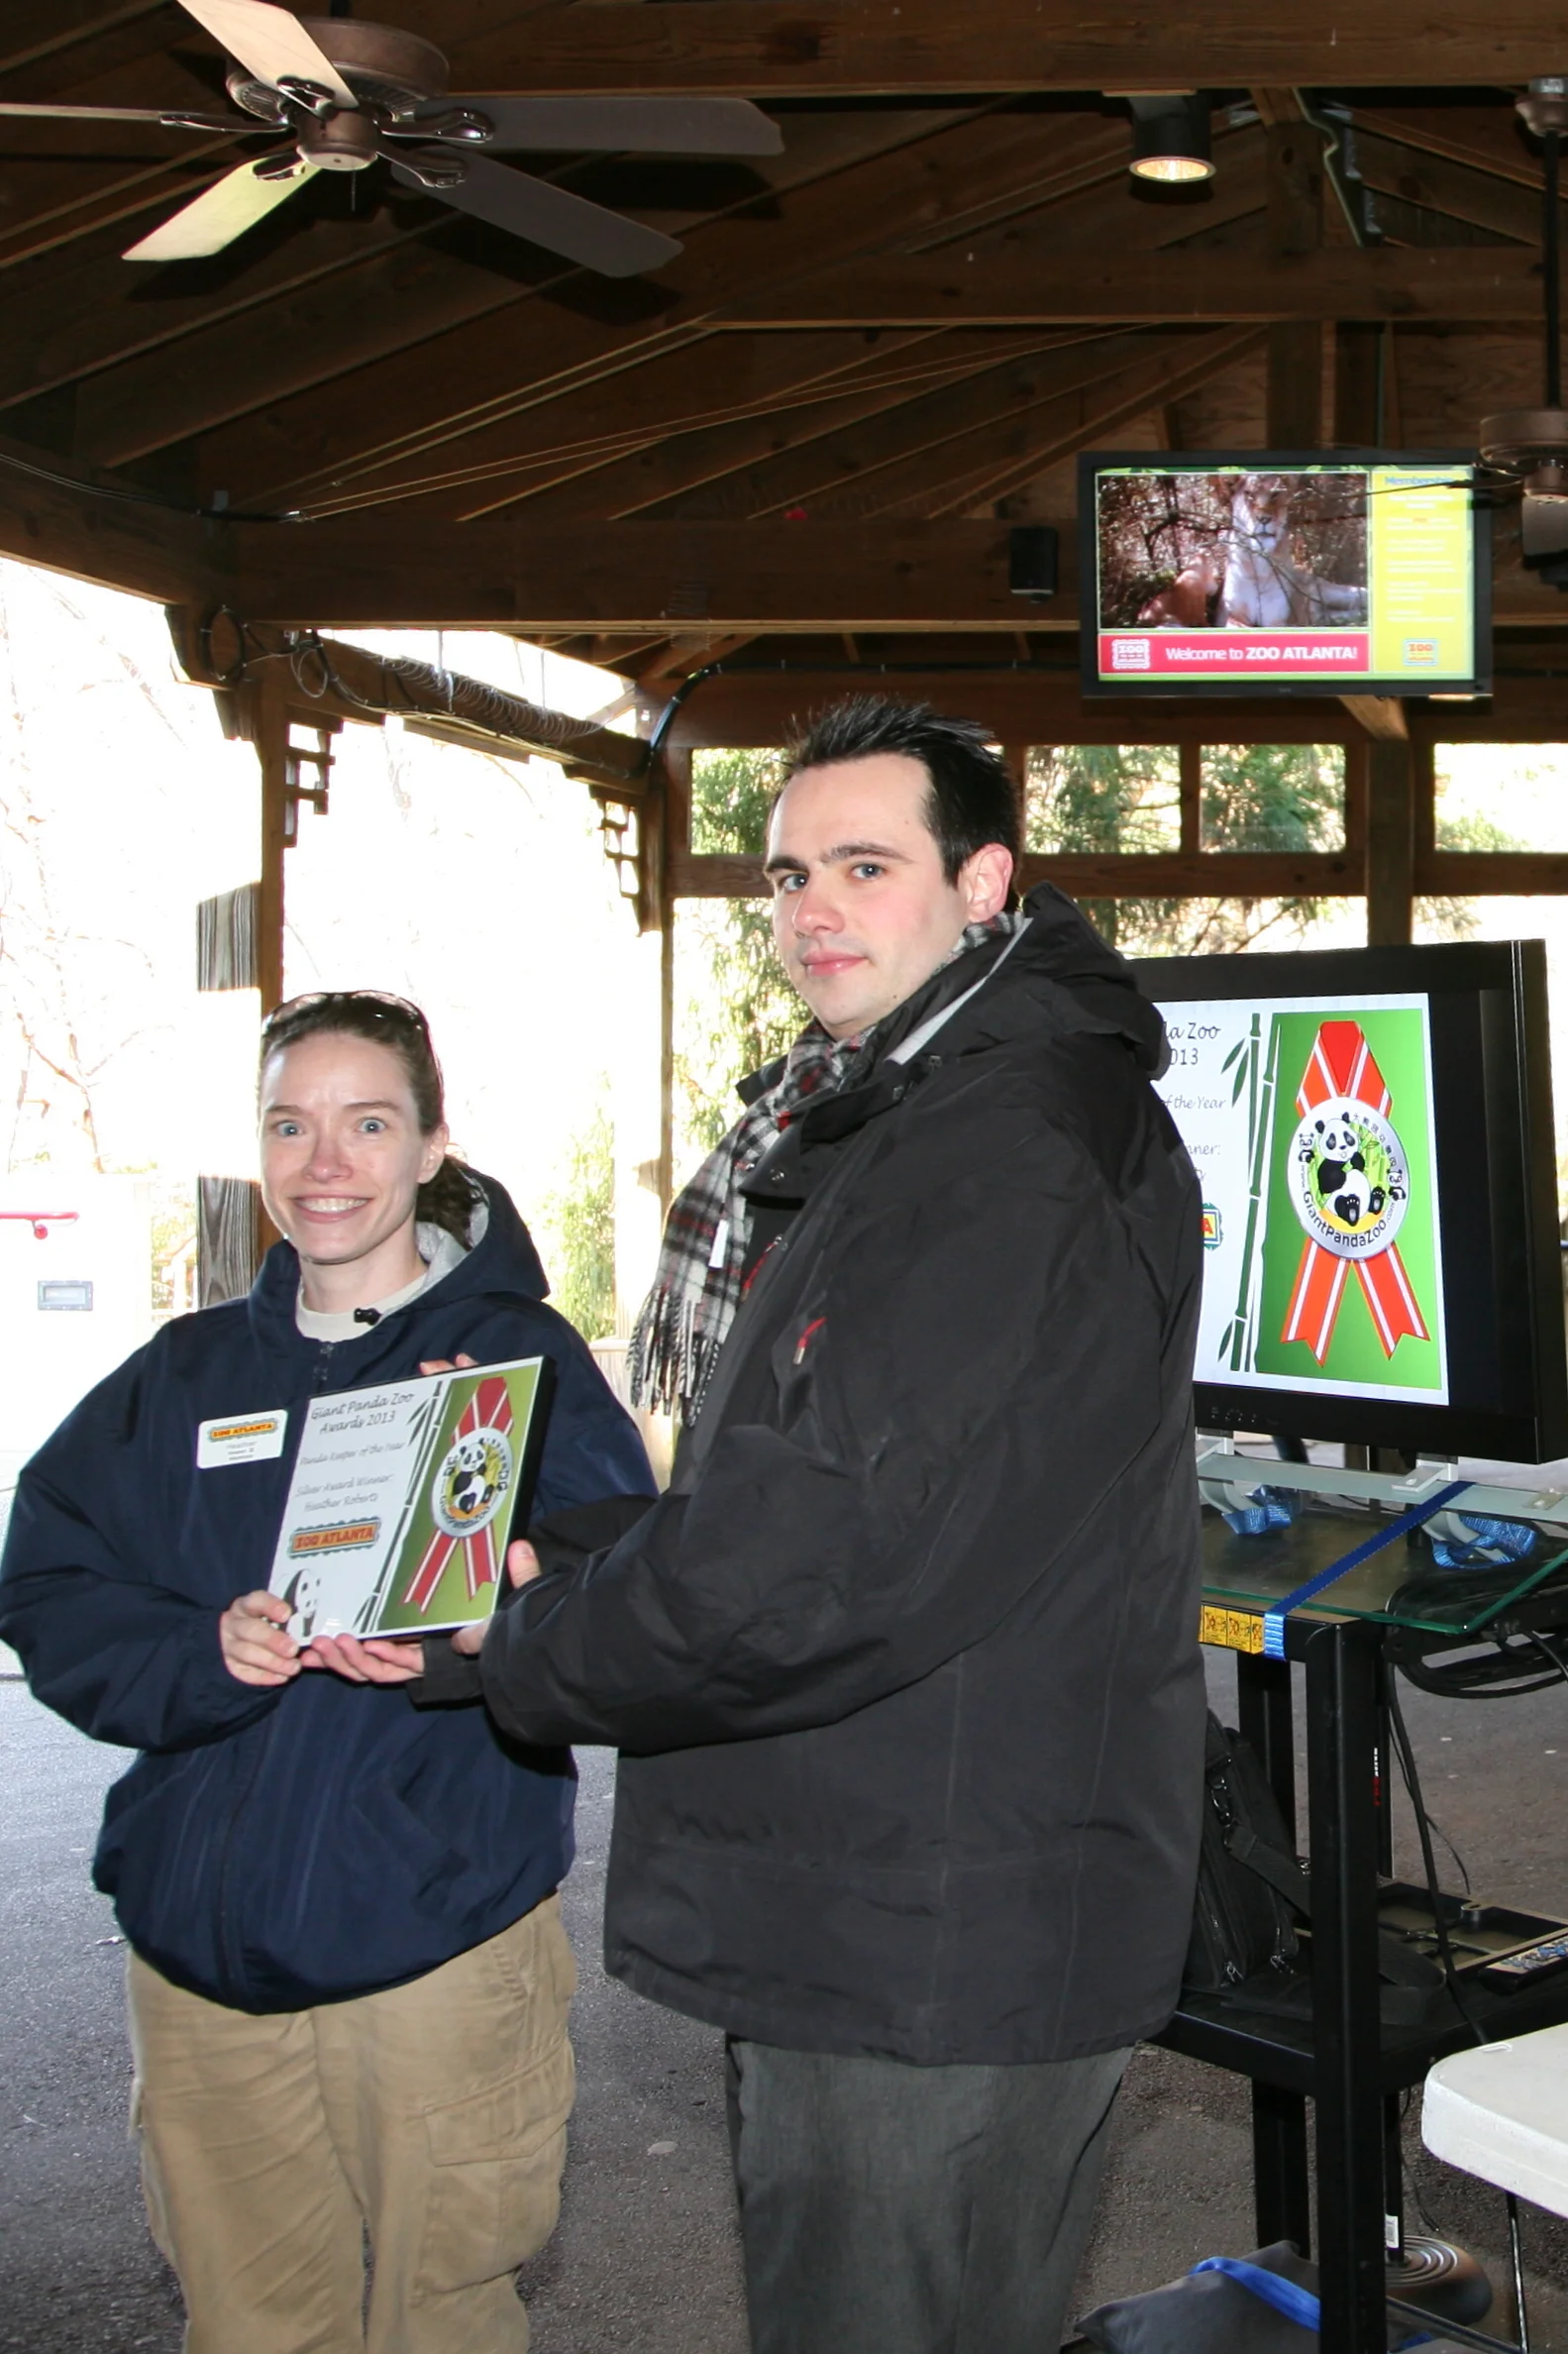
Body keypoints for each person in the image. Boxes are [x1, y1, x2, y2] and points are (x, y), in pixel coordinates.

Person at [386, 699, 1207, 2354]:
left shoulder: (1003, 1141)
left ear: (982, 883)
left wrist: (532, 1643)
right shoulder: (915, 1109)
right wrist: (582, 1564)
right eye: (785, 875)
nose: (811, 909)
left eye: (862, 866)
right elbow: (824, 1481)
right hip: (903, 1886)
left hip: (924, 1923)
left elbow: (826, 1553)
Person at [0, 990, 655, 2354]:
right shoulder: (184, 1376)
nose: (325, 1164)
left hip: (431, 1935)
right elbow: (51, 1580)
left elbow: (628, 1595)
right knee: (248, 2326)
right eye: (290, 1126)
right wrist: (198, 1652)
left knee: (442, 2317)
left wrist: (472, 1629)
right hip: (199, 1954)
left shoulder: (520, 1362)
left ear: (431, 1146)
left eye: (367, 1124)